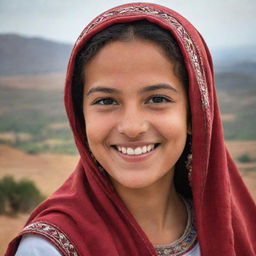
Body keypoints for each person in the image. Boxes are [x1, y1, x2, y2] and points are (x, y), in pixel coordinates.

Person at [6, 2, 256, 256]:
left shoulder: (233, 229)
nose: (132, 127)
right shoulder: (47, 249)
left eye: (157, 99)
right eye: (106, 101)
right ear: (80, 117)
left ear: (194, 114)